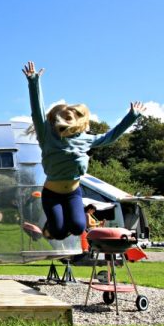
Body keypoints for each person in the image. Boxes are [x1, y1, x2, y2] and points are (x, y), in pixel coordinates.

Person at [22, 61, 146, 240]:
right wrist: (34, 82)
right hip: (52, 194)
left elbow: (111, 137)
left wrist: (131, 117)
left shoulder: (85, 139)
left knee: (79, 227)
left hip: (73, 193)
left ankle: (58, 227)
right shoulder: (47, 136)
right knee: (57, 232)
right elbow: (37, 111)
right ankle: (49, 228)